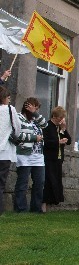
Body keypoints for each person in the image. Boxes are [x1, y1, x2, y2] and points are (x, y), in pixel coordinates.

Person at [14, 97, 48, 213]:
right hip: (24, 154)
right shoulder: (19, 118)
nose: (36, 110)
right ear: (27, 106)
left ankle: (36, 208)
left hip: (38, 155)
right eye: (34, 107)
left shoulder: (36, 119)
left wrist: (35, 113)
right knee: (23, 182)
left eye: (37, 108)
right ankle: (20, 208)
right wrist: (34, 138)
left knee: (40, 182)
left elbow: (45, 125)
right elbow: (17, 135)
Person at [42, 106, 72, 212]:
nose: (61, 120)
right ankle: (44, 205)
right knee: (48, 181)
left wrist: (63, 129)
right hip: (49, 158)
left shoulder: (59, 128)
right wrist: (57, 142)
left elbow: (69, 141)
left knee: (56, 182)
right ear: (54, 116)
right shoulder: (47, 126)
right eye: (60, 117)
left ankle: (51, 204)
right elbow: (44, 142)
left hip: (58, 159)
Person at [0, 86, 21, 215]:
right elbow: (17, 128)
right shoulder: (9, 109)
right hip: (4, 150)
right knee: (1, 182)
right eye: (8, 97)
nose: (9, 100)